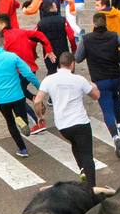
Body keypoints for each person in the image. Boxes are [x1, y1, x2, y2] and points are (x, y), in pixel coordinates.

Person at [34, 51, 100, 186]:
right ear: (72, 64)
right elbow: (95, 96)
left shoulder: (49, 80)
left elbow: (37, 101)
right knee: (87, 155)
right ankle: (91, 188)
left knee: (75, 143)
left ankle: (82, 170)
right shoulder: (79, 79)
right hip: (80, 122)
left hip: (63, 125)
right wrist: (95, 87)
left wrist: (40, 116)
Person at [75, 11, 120, 157]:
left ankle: (115, 137)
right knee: (116, 99)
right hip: (115, 76)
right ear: (105, 22)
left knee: (107, 110)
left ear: (93, 23)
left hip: (100, 79)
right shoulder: (113, 36)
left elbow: (78, 58)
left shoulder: (87, 39)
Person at [0, 31, 41, 158]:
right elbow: (28, 74)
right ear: (4, 42)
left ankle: (22, 149)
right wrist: (40, 88)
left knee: (10, 123)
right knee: (21, 117)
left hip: (1, 99)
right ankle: (23, 123)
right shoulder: (12, 57)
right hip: (17, 96)